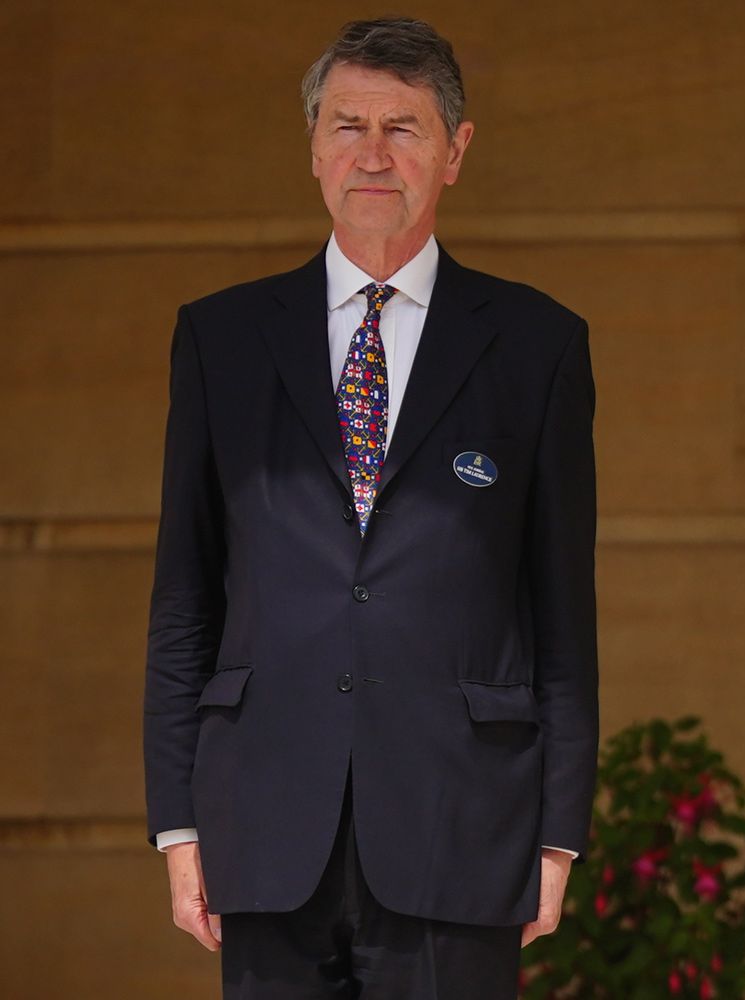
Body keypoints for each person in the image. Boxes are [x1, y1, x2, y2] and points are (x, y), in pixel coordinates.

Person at [141, 18, 598, 999]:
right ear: (312, 149)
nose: (374, 154)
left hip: (462, 824)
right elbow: (185, 596)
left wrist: (558, 836)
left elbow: (563, 615)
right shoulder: (220, 340)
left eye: (405, 127)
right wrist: (178, 822)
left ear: (456, 152)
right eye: (348, 126)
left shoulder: (538, 346)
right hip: (263, 821)